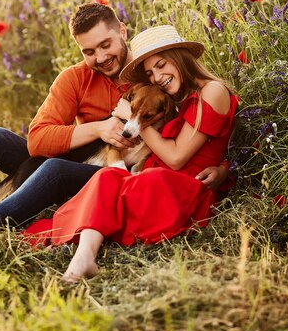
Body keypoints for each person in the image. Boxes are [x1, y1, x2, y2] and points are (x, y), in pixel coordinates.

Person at [0, 4, 229, 240]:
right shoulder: (74, 79)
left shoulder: (152, 76)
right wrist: (100, 127)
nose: (100, 57)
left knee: (55, 169)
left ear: (122, 31)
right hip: (77, 155)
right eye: (88, 51)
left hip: (103, 173)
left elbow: (193, 128)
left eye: (106, 44)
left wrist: (225, 166)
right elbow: (36, 141)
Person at [22, 25, 239, 282]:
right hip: (160, 173)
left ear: (180, 56)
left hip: (182, 184)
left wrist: (130, 119)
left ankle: (83, 251)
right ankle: (84, 258)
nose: (157, 77)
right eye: (150, 73)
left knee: (131, 180)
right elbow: (223, 142)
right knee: (105, 179)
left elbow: (177, 157)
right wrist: (225, 165)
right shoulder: (178, 98)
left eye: (161, 65)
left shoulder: (212, 90)